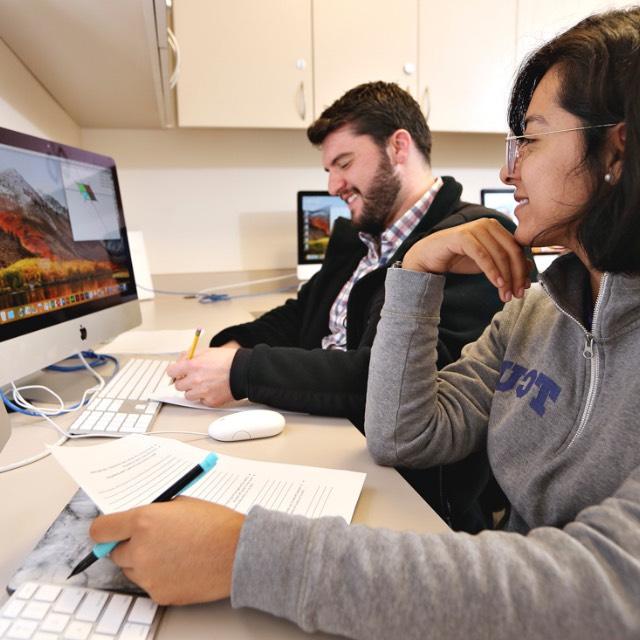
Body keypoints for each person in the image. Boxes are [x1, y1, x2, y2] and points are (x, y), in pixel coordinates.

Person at [91, 8, 640, 637]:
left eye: (532, 139)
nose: (507, 171)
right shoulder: (537, 310)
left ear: (616, 151)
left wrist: (246, 552)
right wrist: (416, 273)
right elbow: (404, 436)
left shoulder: (503, 275)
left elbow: (608, 588)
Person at [167, 81, 520, 531]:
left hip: (407, 488)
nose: (333, 185)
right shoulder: (359, 237)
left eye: (344, 163)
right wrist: (234, 343)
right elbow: (302, 313)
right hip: (324, 432)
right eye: (328, 169)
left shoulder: (467, 242)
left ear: (398, 146)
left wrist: (242, 371)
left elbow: (390, 382)